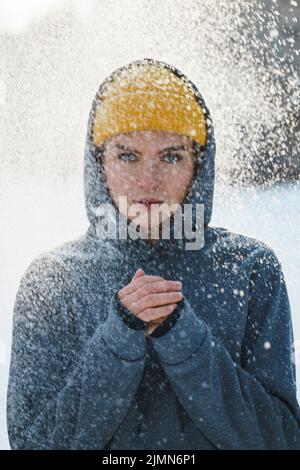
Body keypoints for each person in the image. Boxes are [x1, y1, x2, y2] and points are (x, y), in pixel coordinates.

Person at [6, 58, 300, 449]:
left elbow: (280, 439)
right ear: (100, 164)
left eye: (172, 156)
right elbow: (33, 443)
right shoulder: (53, 279)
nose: (149, 180)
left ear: (200, 164)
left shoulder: (249, 269)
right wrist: (119, 339)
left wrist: (184, 338)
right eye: (128, 156)